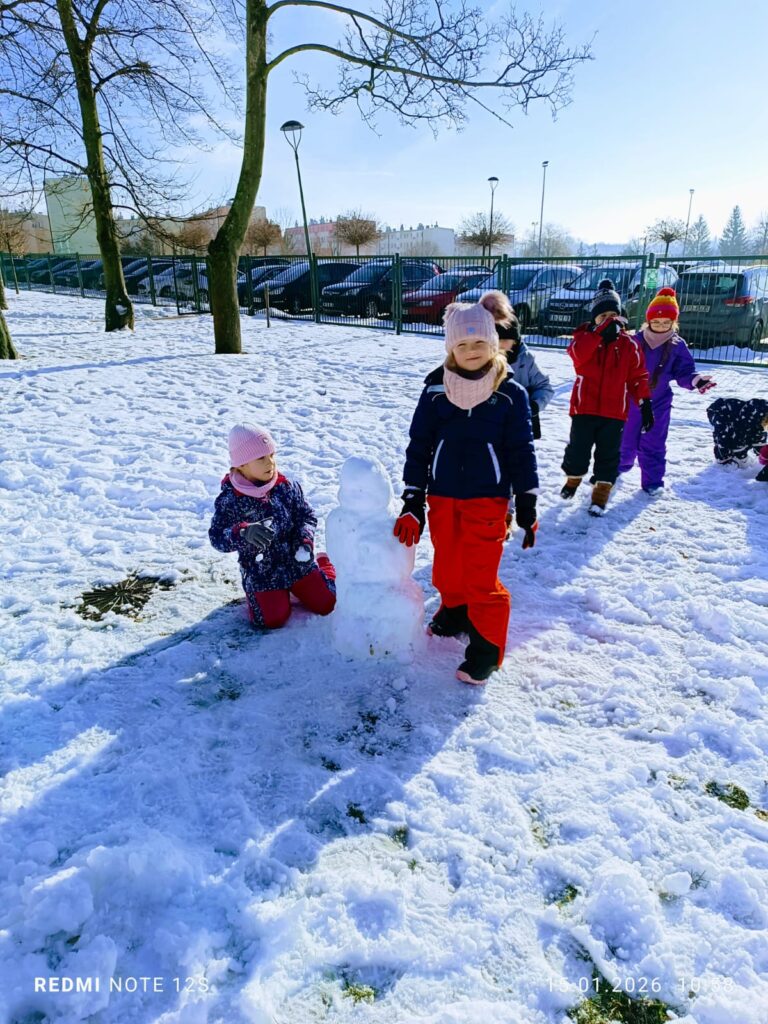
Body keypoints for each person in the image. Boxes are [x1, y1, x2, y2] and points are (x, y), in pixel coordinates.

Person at [393, 291, 539, 686]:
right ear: (450, 347)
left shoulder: (510, 393)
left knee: (480, 575)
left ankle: (487, 649)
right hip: (442, 496)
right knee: (447, 563)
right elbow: (419, 445)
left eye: (479, 343)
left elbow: (520, 450)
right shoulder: (435, 390)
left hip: (487, 499)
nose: (471, 351)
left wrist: (526, 500)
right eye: (462, 344)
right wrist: (412, 499)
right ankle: (455, 611)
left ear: (493, 343)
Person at [209, 423, 336, 628]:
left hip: (296, 561)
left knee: (327, 603)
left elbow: (306, 515)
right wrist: (242, 532)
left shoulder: (286, 487)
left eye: (272, 455)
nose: (271, 463)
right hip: (262, 571)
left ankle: (324, 564)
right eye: (261, 458)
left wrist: (304, 540)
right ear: (241, 464)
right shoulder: (230, 500)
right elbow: (217, 537)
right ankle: (258, 594)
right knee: (270, 620)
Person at [560, 278, 654, 516]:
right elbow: (579, 359)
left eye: (614, 315)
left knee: (609, 453)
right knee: (578, 450)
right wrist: (599, 334)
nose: (609, 320)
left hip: (614, 412)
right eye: (603, 317)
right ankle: (573, 480)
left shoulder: (629, 345)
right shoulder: (584, 338)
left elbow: (638, 376)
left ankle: (600, 493)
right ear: (594, 319)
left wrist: (644, 402)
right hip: (584, 408)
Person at [619, 287, 716, 494]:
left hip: (659, 403)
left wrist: (696, 380)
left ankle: (653, 482)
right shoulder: (634, 342)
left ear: (674, 323)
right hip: (631, 402)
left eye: (666, 323)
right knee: (625, 440)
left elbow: (685, 372)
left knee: (653, 443)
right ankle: (619, 466)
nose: (661, 326)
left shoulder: (677, 345)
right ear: (648, 321)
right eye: (656, 321)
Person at [496, 312, 554, 440]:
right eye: (495, 340)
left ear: (515, 341)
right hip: (494, 421)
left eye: (504, 340)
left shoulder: (525, 359)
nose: (499, 344)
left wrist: (534, 405)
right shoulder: (485, 359)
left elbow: (544, 386)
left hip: (520, 421)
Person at [706, 398, 768, 481]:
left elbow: (759, 440)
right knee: (725, 434)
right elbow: (738, 440)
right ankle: (724, 459)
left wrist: (763, 454)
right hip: (718, 410)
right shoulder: (744, 423)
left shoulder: (757, 423)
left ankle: (738, 458)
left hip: (745, 417)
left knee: (754, 434)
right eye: (766, 423)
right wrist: (739, 456)